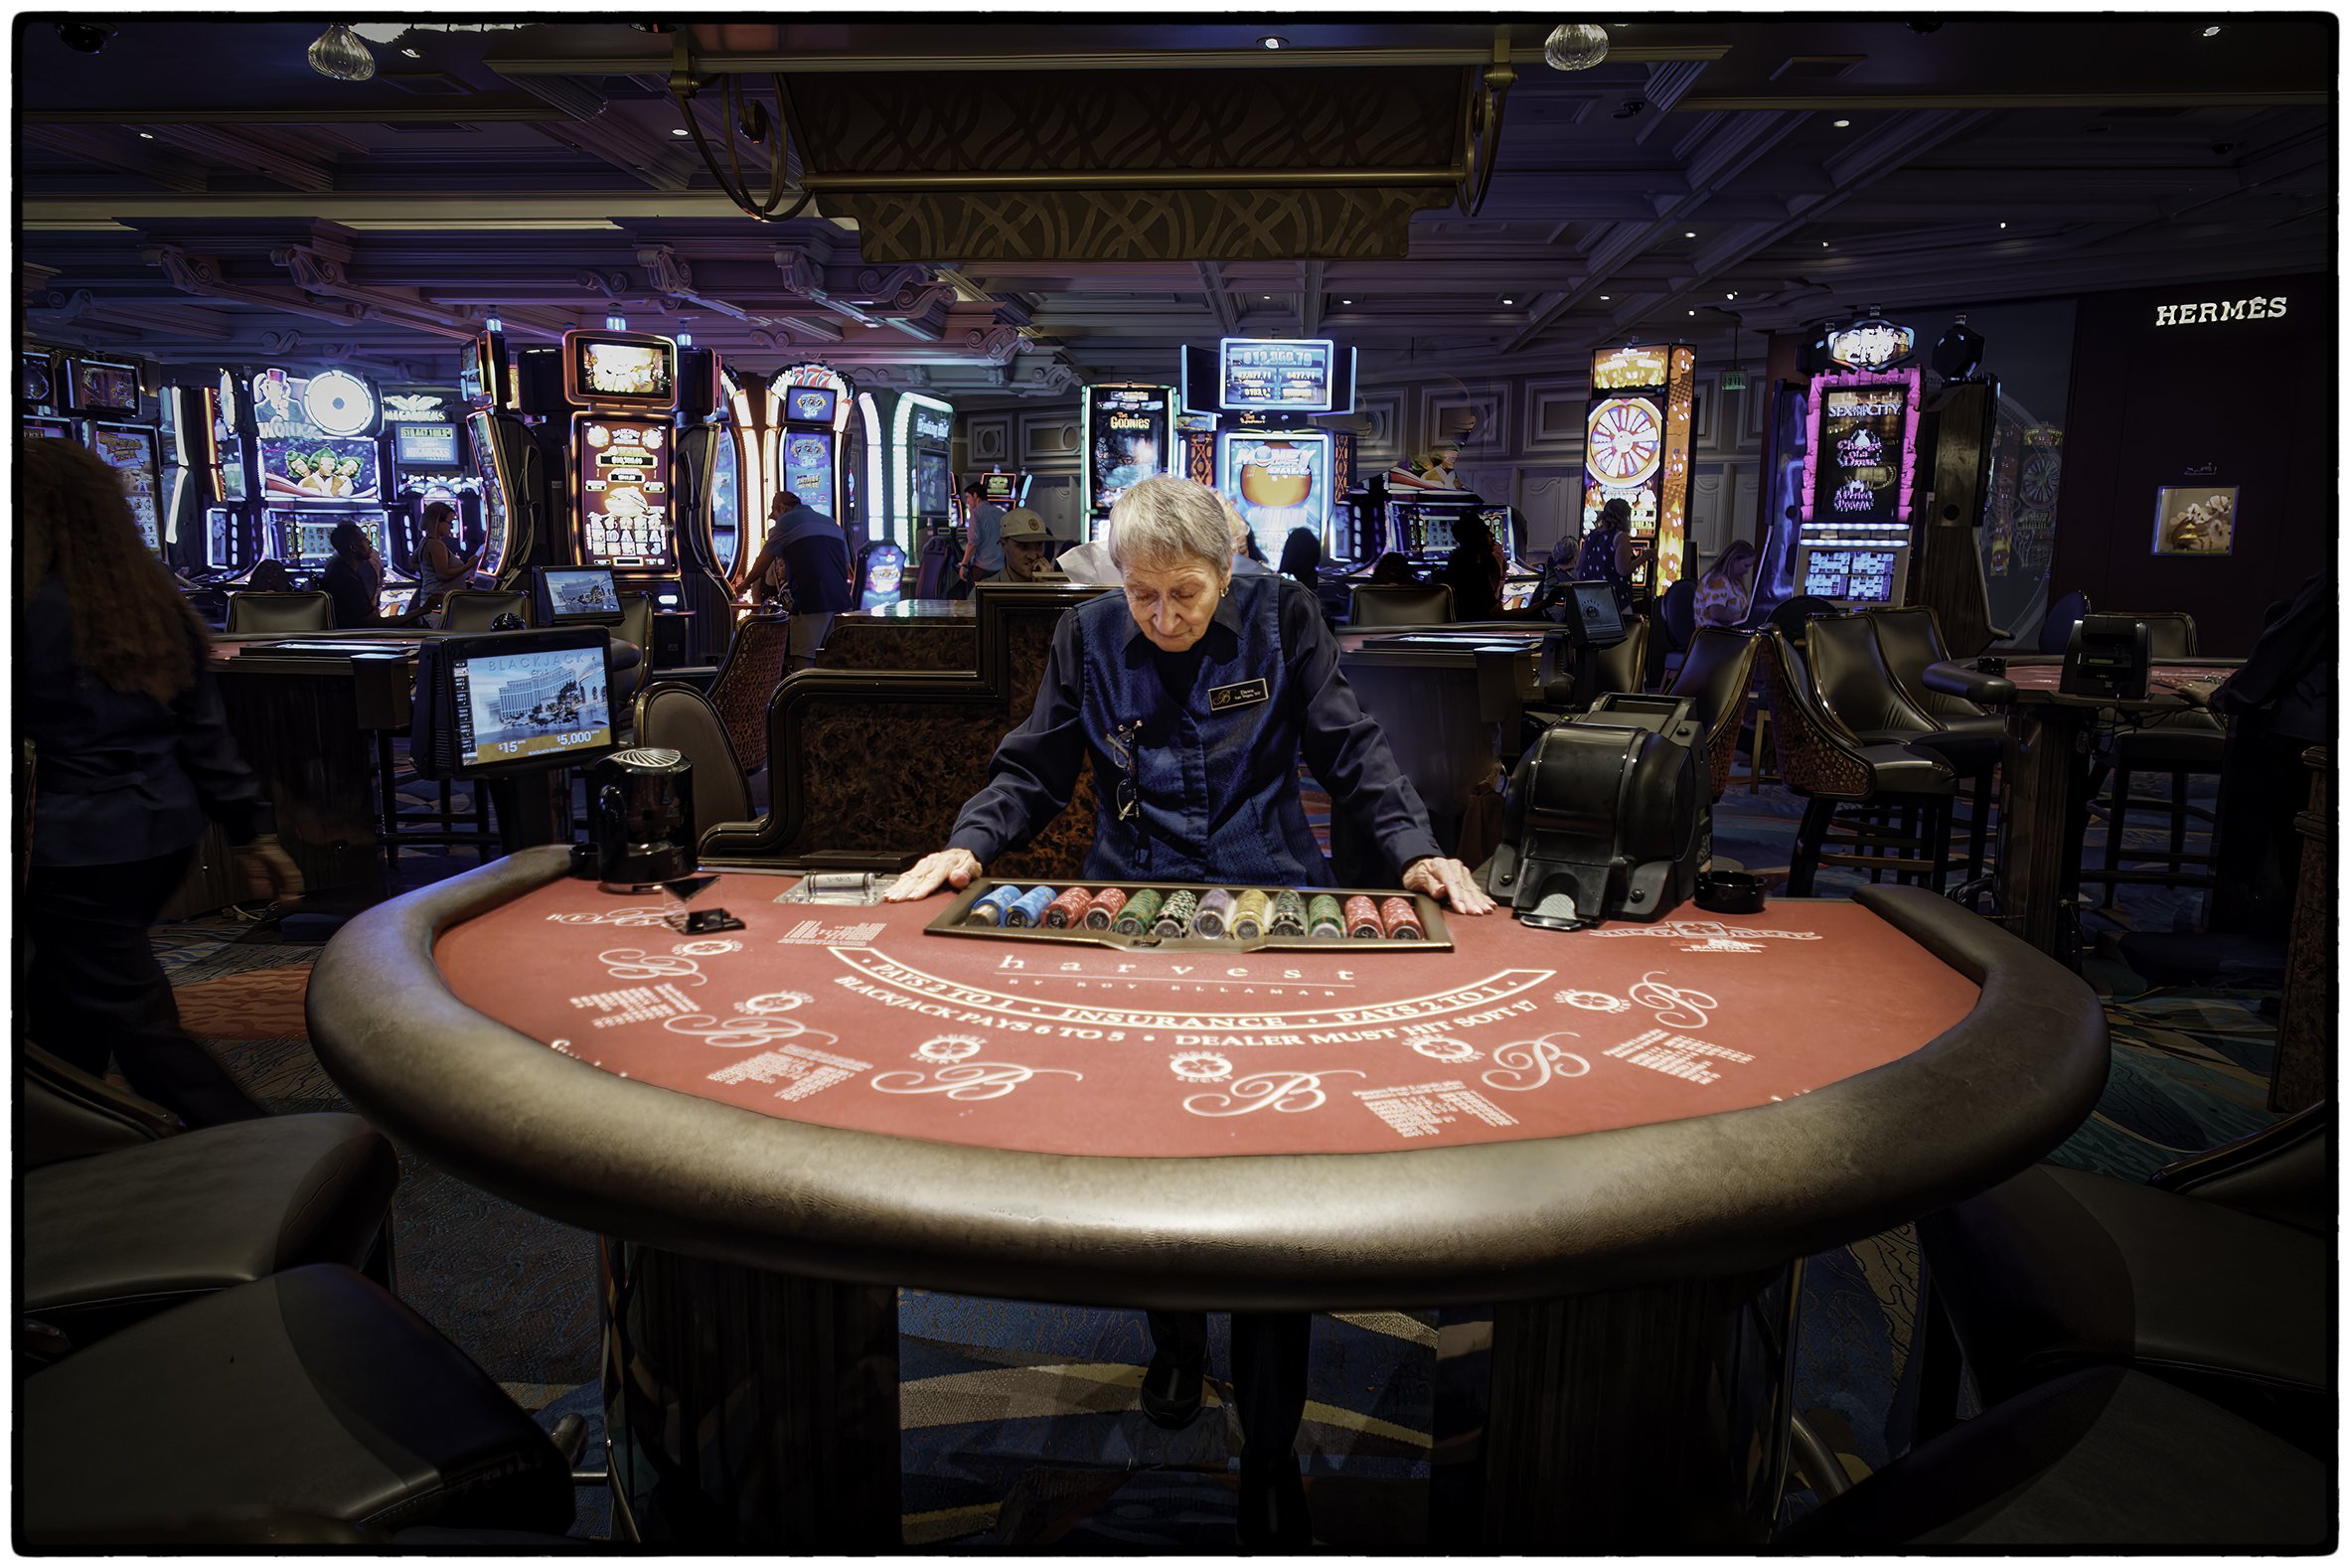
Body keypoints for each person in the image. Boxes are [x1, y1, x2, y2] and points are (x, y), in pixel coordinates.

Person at [884, 475, 1492, 1547]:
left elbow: (1351, 750)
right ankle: (1170, 1340)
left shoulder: (1282, 614)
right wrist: (970, 842)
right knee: (1149, 1157)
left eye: (1185, 594)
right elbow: (1036, 766)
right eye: (1143, 595)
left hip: (1272, 901)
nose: (1162, 619)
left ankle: (1268, 1445)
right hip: (1130, 907)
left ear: (1229, 570)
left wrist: (1418, 853)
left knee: (1273, 1181)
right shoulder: (1085, 637)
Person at [20, 439, 305, 1127]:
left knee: (133, 1016)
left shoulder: (28, 610)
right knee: (65, 998)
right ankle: (67, 1139)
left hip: (71, 842)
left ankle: (257, 1144)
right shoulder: (152, 606)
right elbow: (204, 734)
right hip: (161, 833)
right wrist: (251, 831)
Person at [2208, 571, 2332, 937]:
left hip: (2310, 732)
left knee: (2302, 864)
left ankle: (2297, 969)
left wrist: (2226, 697)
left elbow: (2287, 642)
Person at [735, 490, 854, 614]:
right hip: (843, 604)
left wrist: (744, 585)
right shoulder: (831, 523)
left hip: (813, 605)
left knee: (803, 634)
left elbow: (763, 561)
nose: (776, 522)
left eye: (775, 517)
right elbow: (846, 566)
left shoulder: (786, 521)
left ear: (782, 508)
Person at [1576, 496, 1642, 611]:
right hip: (1614, 601)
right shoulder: (1621, 537)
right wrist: (1645, 557)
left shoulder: (1592, 535)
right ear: (1625, 517)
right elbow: (1623, 569)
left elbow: (1578, 566)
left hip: (1589, 601)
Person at [412, 500, 475, 613]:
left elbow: (413, 561)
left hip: (434, 603)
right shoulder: (436, 544)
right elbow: (443, 575)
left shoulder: (425, 541)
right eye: (449, 522)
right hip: (441, 606)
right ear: (437, 522)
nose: (451, 527)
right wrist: (469, 565)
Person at [318, 520, 382, 629]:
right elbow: (370, 621)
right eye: (364, 539)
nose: (369, 542)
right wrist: (418, 612)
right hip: (353, 635)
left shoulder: (336, 565)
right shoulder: (344, 577)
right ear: (353, 547)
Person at [1692, 539, 1760, 629]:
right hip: (1712, 636)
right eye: (1746, 565)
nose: (1747, 571)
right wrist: (1740, 620)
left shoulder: (1734, 581)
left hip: (1727, 634)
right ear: (1733, 560)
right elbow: (1716, 613)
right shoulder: (1717, 580)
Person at [984, 508, 1057, 584]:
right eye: (1024, 546)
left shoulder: (1056, 586)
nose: (1032, 556)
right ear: (1004, 545)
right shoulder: (984, 591)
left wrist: (1050, 588)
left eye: (1039, 544)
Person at [958, 482, 1007, 596]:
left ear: (975, 495)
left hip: (982, 568)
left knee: (975, 604)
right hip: (1000, 568)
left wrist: (963, 565)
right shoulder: (1001, 513)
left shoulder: (975, 514)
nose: (967, 502)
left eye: (968, 497)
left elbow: (973, 543)